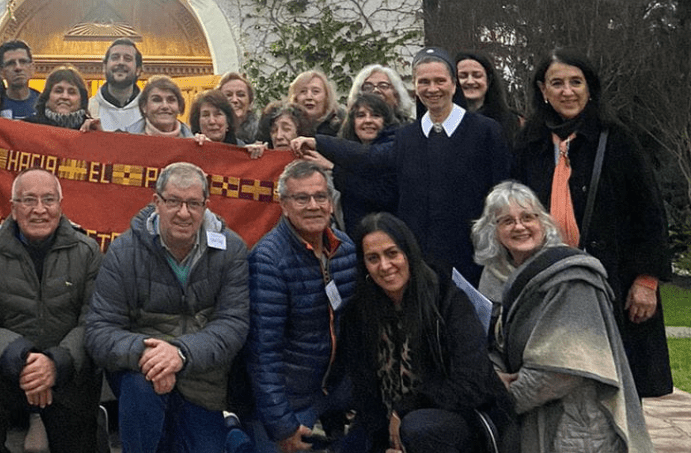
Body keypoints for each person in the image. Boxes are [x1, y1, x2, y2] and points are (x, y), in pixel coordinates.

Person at [511, 48, 671, 398]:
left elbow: (649, 213)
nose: (567, 91)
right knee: (557, 386)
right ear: (543, 91)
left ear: (589, 87)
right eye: (557, 83)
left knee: (615, 393)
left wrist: (646, 281)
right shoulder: (529, 144)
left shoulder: (617, 140)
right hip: (550, 287)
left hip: (611, 284)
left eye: (575, 82)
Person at [295, 47, 511, 284]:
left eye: (440, 81)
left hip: (473, 258)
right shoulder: (407, 136)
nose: (432, 88)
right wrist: (319, 143)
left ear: (453, 84)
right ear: (415, 88)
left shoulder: (486, 131)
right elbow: (370, 159)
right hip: (419, 261)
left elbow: (501, 193)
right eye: (424, 82)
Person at [470, 181, 654, 452]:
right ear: (493, 232)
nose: (519, 226)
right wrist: (494, 373)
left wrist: (502, 399)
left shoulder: (572, 277)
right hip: (525, 422)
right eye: (507, 221)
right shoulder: (493, 276)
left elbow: (562, 370)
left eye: (528, 217)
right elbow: (491, 338)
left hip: (576, 425)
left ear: (543, 223)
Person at [85, 162, 249, 452]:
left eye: (193, 204)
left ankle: (228, 429)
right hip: (141, 373)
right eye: (173, 201)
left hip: (202, 375)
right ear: (156, 202)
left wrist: (181, 353)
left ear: (206, 205)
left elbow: (233, 324)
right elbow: (99, 330)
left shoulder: (232, 249)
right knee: (141, 386)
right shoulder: (124, 250)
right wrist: (147, 353)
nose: (183, 213)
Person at [0, 169, 102, 452]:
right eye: (28, 200)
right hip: (10, 367)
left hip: (67, 369)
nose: (39, 210)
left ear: (61, 205)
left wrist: (56, 363)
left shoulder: (88, 252)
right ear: (13, 209)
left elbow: (95, 321)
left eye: (48, 200)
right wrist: (21, 359)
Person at [340, 212, 508, 453]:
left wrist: (405, 409)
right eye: (373, 258)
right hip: (389, 425)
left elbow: (471, 384)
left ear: (408, 252)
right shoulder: (359, 313)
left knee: (417, 428)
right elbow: (365, 395)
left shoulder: (447, 300)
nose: (385, 266)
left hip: (451, 422)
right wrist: (386, 443)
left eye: (392, 253)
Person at [246, 161, 358, 453]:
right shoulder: (268, 260)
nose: (313, 205)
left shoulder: (346, 249)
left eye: (320, 197)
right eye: (302, 198)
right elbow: (263, 353)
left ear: (331, 204)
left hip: (334, 392)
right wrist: (282, 425)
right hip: (287, 399)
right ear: (283, 205)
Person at [332, 93, 398, 238]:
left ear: (385, 121)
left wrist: (334, 169)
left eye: (375, 116)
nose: (368, 121)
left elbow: (380, 196)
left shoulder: (394, 150)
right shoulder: (342, 151)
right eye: (361, 116)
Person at [455, 52, 522, 146]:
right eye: (463, 76)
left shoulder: (513, 122)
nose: (470, 81)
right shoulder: (444, 120)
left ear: (489, 80)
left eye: (477, 75)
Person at [89, 38, 143, 131]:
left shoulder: (149, 111)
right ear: (104, 67)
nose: (121, 62)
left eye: (127, 59)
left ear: (138, 70)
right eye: (115, 57)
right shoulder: (88, 110)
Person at [122, 75, 193, 138]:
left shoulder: (194, 142)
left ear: (179, 106)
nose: (165, 106)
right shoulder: (125, 139)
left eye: (171, 100)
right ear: (144, 107)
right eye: (157, 100)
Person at [23, 67, 91, 130]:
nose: (65, 96)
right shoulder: (28, 127)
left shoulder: (92, 128)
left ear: (82, 100)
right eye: (58, 91)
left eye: (71, 92)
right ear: (47, 97)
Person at [345, 64, 413, 125]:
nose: (376, 90)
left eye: (383, 86)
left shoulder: (410, 130)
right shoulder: (348, 130)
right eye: (368, 87)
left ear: (396, 96)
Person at [245, 101, 312, 157]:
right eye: (273, 130)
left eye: (286, 129)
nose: (278, 136)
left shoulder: (313, 160)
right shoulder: (263, 160)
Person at [289, 69, 344, 136]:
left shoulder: (342, 123)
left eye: (315, 91)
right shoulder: (288, 125)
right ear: (295, 98)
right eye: (303, 91)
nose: (309, 97)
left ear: (326, 97)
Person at [0, 40, 40, 119]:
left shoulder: (44, 104)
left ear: (32, 67)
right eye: (10, 63)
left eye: (23, 62)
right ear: (0, 72)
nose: (18, 68)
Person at [219, 72, 260, 145]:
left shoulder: (262, 133)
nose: (234, 100)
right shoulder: (212, 133)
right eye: (228, 95)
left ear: (250, 103)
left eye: (241, 95)